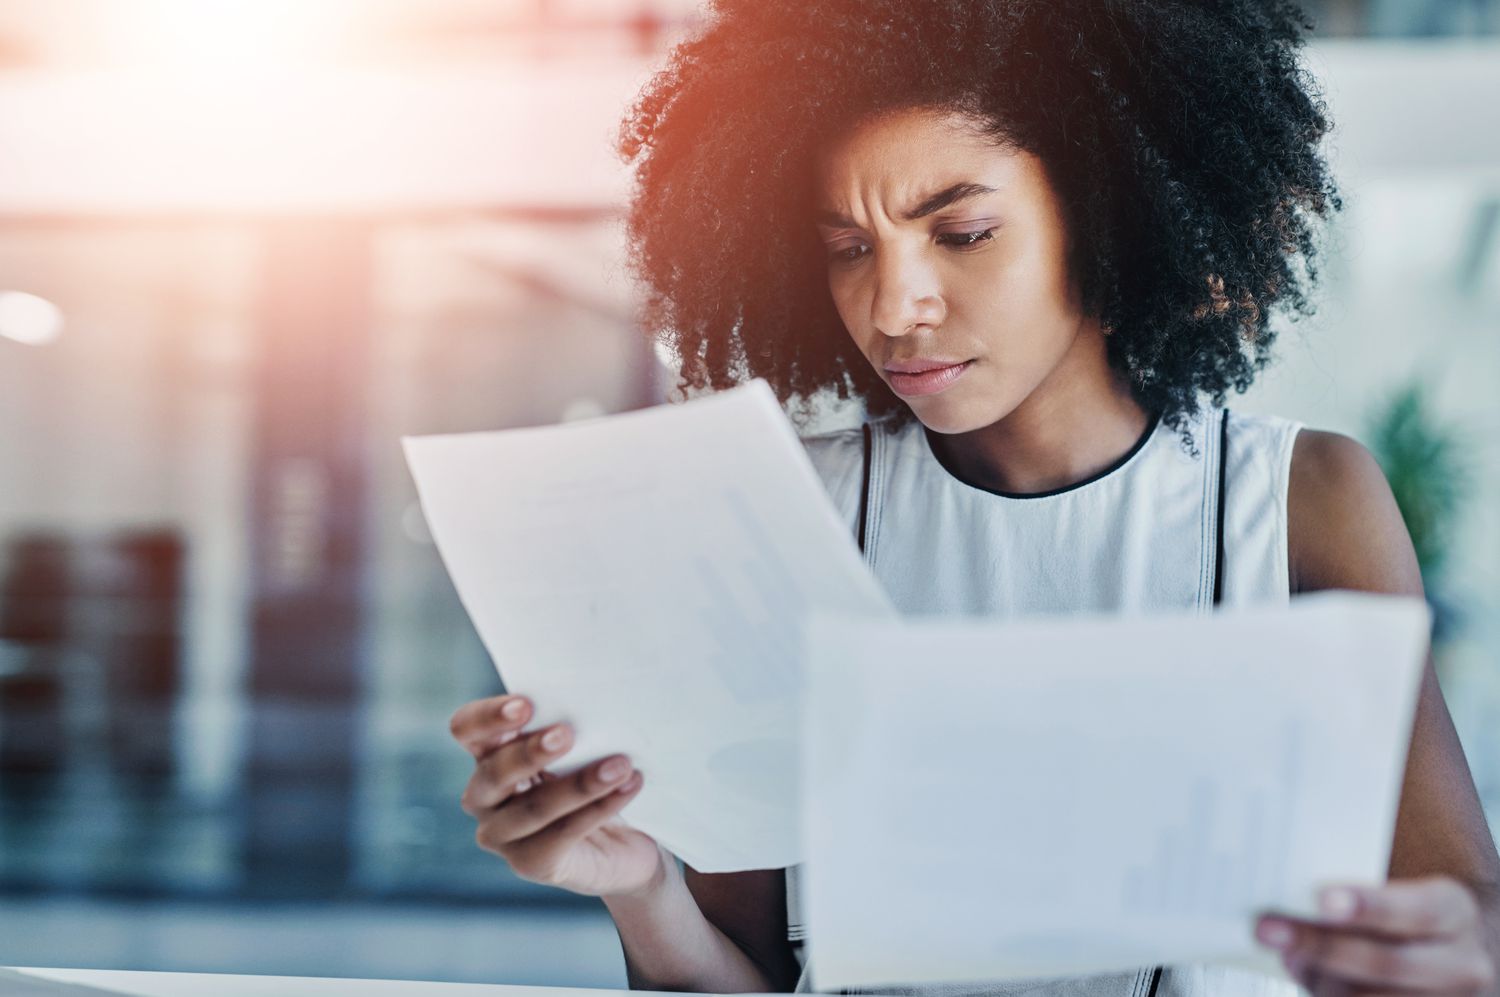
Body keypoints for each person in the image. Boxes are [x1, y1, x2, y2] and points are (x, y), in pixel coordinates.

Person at [446, 1, 1500, 993]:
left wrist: (1449, 949)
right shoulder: (789, 510)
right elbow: (745, 978)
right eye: (849, 249)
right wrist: (639, 885)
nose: (893, 306)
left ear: (1108, 218)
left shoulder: (1298, 501)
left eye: (961, 233)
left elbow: (1471, 926)